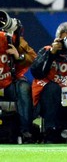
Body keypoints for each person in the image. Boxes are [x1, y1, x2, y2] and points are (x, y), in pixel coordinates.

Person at [0, 12, 36, 143]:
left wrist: (18, 56)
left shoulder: (13, 40)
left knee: (24, 87)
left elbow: (33, 58)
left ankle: (25, 131)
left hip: (9, 83)